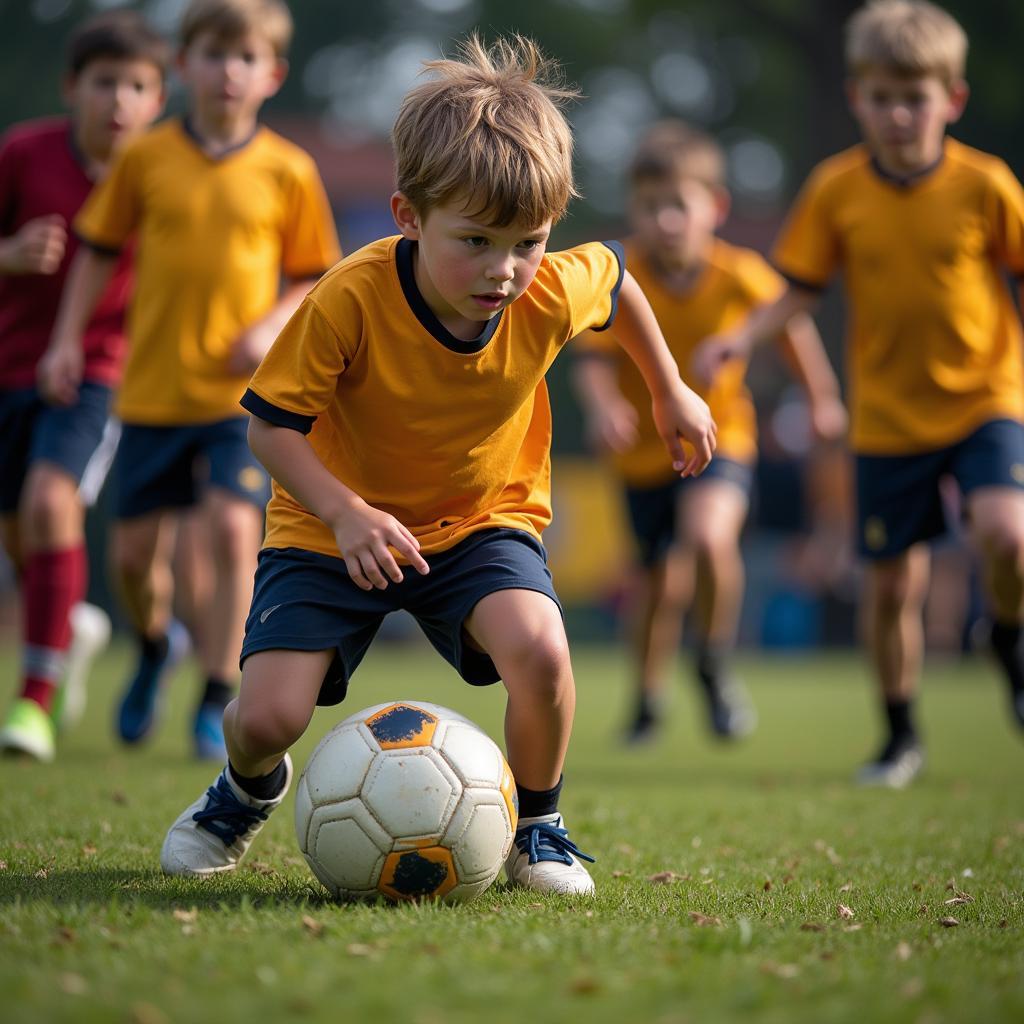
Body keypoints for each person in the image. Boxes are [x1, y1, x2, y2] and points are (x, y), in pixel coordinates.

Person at [158, 35, 716, 894]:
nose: (505, 270)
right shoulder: (349, 296)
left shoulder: (545, 286)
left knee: (542, 653)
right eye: (478, 241)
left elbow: (616, 280)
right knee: (270, 715)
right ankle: (242, 790)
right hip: (328, 526)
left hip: (478, 520)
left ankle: (540, 828)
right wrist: (345, 514)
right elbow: (269, 430)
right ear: (407, 216)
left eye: (528, 241)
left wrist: (670, 390)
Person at [693, 0, 1024, 787]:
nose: (900, 114)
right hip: (885, 419)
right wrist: (744, 334)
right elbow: (796, 288)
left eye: (917, 97)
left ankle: (1007, 637)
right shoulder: (837, 190)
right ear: (857, 99)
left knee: (1009, 536)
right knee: (890, 586)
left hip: (986, 398)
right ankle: (899, 734)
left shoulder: (987, 185)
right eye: (882, 98)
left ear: (953, 99)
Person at [40, 0, 341, 761]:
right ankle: (151, 645)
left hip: (237, 404)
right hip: (147, 396)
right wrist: (69, 340)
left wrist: (272, 324)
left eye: (245, 59)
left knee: (234, 531)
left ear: (271, 74)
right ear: (185, 67)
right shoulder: (146, 159)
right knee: (136, 563)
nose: (228, 72)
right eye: (213, 54)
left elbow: (315, 278)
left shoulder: (288, 169)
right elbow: (98, 251)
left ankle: (216, 695)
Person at [574, 121, 845, 745]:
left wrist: (821, 396)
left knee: (707, 539)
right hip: (642, 457)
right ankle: (646, 697)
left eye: (678, 205)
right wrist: (604, 405)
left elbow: (790, 326)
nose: (665, 220)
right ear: (633, 209)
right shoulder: (619, 273)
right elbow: (590, 360)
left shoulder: (740, 273)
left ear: (714, 208)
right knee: (652, 585)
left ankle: (714, 663)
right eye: (650, 206)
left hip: (722, 439)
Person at [0, 11, 168, 762]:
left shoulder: (166, 178)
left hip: (101, 377)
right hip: (10, 371)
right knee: (21, 535)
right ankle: (69, 630)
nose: (119, 101)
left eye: (138, 85)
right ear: (73, 88)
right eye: (105, 82)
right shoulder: (24, 153)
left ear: (159, 99)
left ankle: (35, 697)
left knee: (49, 502)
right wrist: (8, 253)